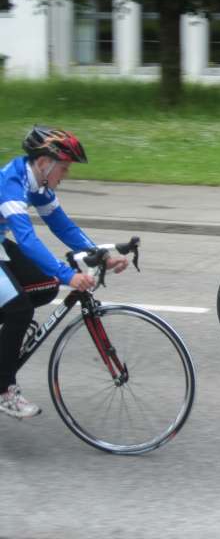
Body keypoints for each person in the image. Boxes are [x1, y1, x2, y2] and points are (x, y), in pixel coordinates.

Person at [0, 126, 128, 419]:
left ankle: (6, 336)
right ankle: (4, 391)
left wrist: (101, 256)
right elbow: (27, 240)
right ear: (45, 162)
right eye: (65, 167)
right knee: (19, 310)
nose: (66, 175)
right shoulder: (12, 182)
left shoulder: (38, 184)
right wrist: (67, 274)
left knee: (46, 285)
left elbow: (62, 224)